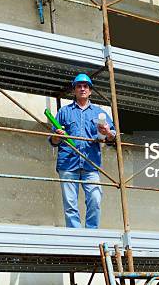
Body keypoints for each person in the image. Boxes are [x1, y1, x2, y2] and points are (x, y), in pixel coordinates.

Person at [49, 73, 116, 229]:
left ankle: (91, 233)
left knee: (95, 199)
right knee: (70, 204)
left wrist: (107, 133)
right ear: (74, 90)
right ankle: (75, 235)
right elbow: (53, 141)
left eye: (85, 86)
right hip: (68, 163)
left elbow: (113, 138)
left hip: (91, 164)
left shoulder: (99, 113)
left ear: (90, 91)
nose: (82, 89)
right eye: (79, 86)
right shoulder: (64, 112)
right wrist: (57, 137)